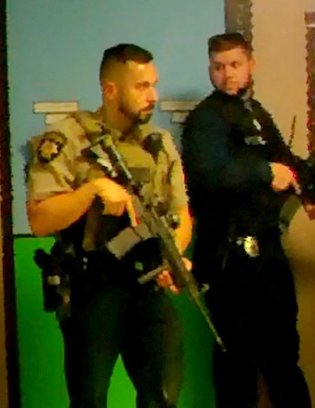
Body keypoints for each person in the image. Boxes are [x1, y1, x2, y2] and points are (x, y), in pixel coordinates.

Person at [26, 43, 192, 408]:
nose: (153, 96)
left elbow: (181, 214)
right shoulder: (67, 139)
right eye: (142, 86)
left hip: (148, 284)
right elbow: (39, 219)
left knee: (163, 397)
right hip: (92, 288)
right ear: (110, 90)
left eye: (154, 85)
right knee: (90, 400)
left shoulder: (158, 144)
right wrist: (92, 190)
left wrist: (174, 254)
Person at [180, 32, 315, 408]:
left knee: (284, 359)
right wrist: (265, 173)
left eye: (235, 65)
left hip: (268, 254)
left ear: (251, 65)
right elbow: (209, 174)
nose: (227, 74)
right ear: (210, 69)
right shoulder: (205, 120)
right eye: (218, 67)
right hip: (229, 259)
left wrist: (312, 195)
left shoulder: (256, 113)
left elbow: (285, 161)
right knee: (236, 368)